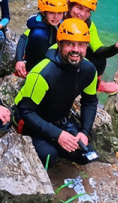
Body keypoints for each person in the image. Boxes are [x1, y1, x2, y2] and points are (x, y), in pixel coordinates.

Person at [14, 18, 99, 168]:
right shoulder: (43, 73)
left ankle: (58, 142)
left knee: (86, 156)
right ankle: (50, 145)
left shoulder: (88, 70)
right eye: (69, 44)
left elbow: (90, 101)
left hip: (59, 119)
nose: (76, 50)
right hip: (29, 119)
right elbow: (25, 111)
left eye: (81, 44)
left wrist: (84, 132)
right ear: (59, 44)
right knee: (49, 157)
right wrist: (58, 135)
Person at [67, 0, 118, 95]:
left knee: (99, 59)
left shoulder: (88, 25)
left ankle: (96, 85)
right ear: (70, 6)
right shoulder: (58, 18)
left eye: (87, 11)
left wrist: (117, 47)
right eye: (79, 8)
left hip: (69, 53)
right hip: (56, 55)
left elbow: (99, 50)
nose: (82, 14)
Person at [14, 0, 68, 77]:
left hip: (52, 56)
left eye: (59, 13)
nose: (56, 17)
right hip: (35, 61)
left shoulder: (62, 23)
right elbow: (23, 38)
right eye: (51, 12)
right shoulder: (37, 27)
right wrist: (19, 60)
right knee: (38, 35)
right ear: (43, 12)